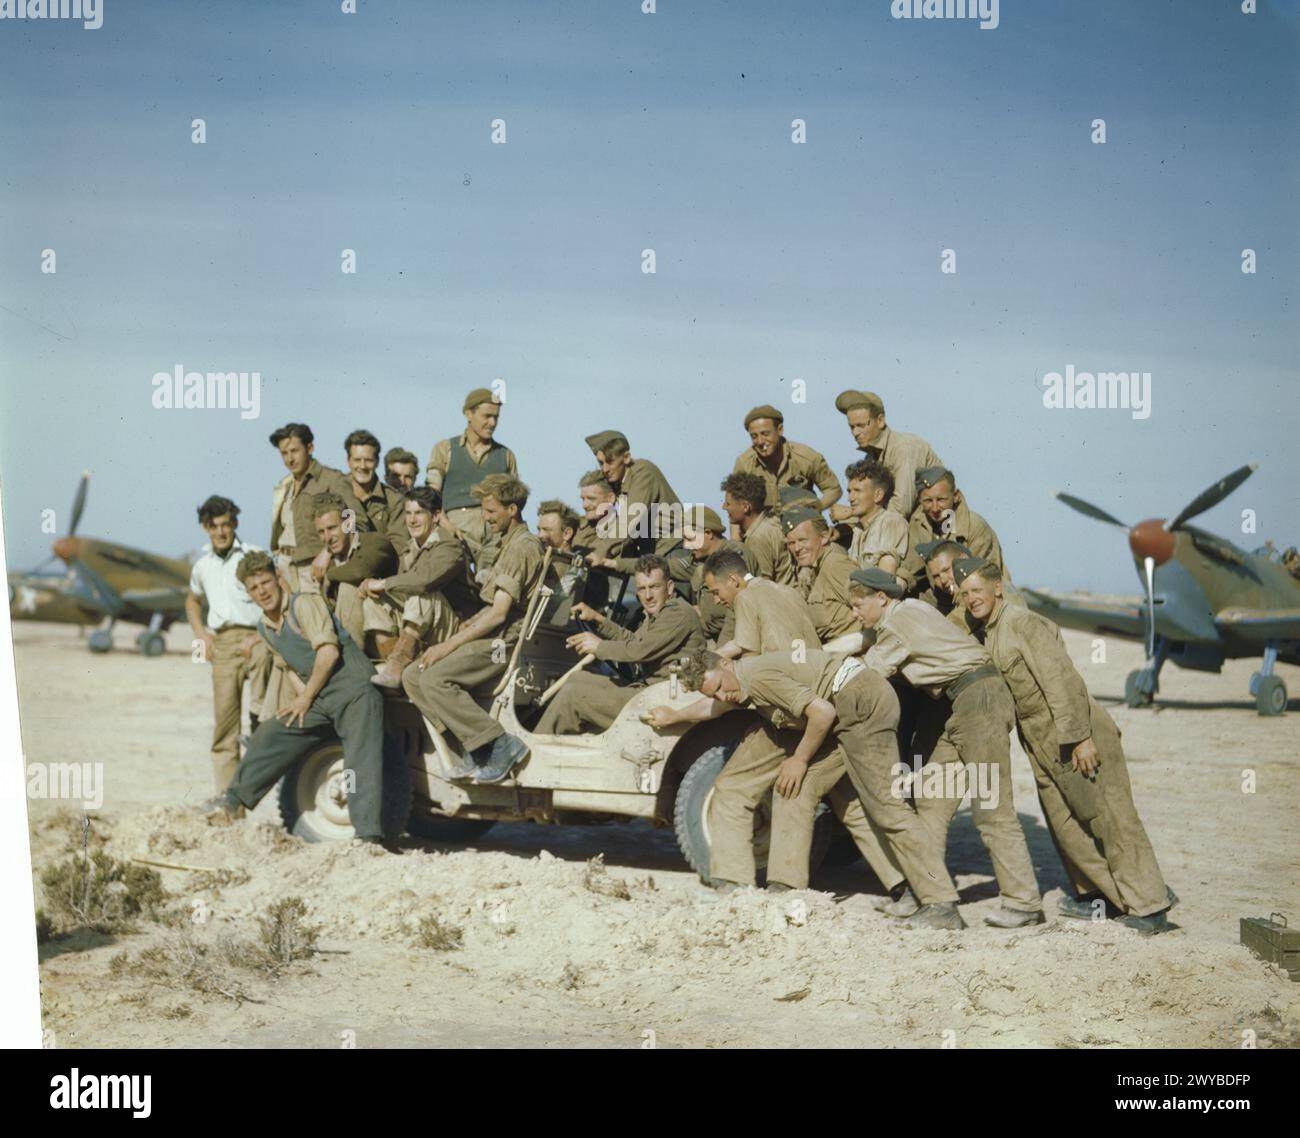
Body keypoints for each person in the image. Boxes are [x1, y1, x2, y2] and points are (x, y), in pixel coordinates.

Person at [957, 558, 1175, 935]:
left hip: (1075, 735)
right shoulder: (989, 631)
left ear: (997, 588)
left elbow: (1062, 682)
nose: (971, 599)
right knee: (1067, 826)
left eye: (977, 590)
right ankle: (1107, 898)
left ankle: (1150, 907)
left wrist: (1080, 739)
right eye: (964, 594)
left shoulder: (1023, 624)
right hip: (1042, 745)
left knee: (1110, 818)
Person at [841, 566, 1044, 930]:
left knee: (991, 806)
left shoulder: (898, 623)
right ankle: (932, 899)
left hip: (978, 698)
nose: (855, 613)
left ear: (881, 599)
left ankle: (1024, 902)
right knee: (931, 803)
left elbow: (868, 673)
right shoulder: (909, 612)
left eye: (858, 605)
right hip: (956, 704)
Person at [647, 649, 908, 900]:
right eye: (714, 693)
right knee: (732, 787)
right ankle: (737, 882)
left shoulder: (759, 677)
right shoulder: (736, 682)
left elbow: (823, 713)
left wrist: (800, 760)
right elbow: (715, 708)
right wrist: (675, 716)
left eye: (720, 687)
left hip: (838, 721)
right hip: (792, 726)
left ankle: (899, 882)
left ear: (726, 663)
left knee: (822, 796)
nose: (723, 696)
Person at [198, 551, 398, 853]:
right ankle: (233, 800)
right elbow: (289, 667)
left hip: (355, 691)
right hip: (320, 696)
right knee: (272, 732)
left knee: (359, 763)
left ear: (278, 580)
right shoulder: (265, 627)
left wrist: (305, 698)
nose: (262, 592)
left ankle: (368, 837)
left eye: (266, 583)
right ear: (248, 593)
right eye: (254, 588)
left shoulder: (303, 604)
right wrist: (300, 703)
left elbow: (328, 653)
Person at [401, 474, 544, 785]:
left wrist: (447, 645)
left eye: (492, 511)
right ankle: (475, 747)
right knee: (412, 675)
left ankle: (500, 744)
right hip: (494, 637)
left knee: (435, 678)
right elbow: (491, 611)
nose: (485, 518)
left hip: (502, 646)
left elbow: (498, 615)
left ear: (513, 510)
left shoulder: (522, 547)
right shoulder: (508, 543)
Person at [536, 556, 704, 735]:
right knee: (577, 679)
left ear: (669, 587)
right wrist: (598, 619)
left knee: (573, 695)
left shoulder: (677, 612)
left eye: (654, 587)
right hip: (652, 691)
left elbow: (638, 651)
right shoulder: (659, 612)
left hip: (664, 698)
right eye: (641, 588)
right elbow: (633, 641)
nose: (648, 596)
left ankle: (533, 755)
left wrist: (599, 646)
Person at [185, 495, 271, 793]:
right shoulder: (202, 566)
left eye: (225, 525)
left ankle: (259, 723)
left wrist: (262, 634)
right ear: (205, 528)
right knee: (224, 729)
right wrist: (201, 635)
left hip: (257, 636)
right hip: (222, 644)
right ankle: (228, 803)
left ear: (234, 523)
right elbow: (192, 600)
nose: (220, 532)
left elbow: (281, 591)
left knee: (262, 720)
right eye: (213, 526)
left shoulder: (252, 555)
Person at [360, 486, 478, 687]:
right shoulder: (409, 549)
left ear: (435, 516)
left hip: (456, 628)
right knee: (374, 601)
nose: (412, 520)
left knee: (420, 595)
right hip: (425, 625)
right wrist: (370, 586)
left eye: (419, 513)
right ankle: (392, 663)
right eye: (408, 513)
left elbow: (423, 581)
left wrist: (382, 583)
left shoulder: (450, 546)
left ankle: (398, 664)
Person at [426, 388, 519, 577]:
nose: (492, 423)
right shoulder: (445, 449)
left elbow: (515, 504)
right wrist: (447, 526)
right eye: (487, 416)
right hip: (456, 529)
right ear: (469, 414)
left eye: (496, 417)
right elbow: (431, 496)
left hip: (494, 535)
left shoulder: (506, 456)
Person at [269, 422, 362, 594]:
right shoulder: (285, 487)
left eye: (295, 451)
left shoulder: (331, 479)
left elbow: (356, 518)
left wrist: (328, 552)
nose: (290, 458)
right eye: (284, 453)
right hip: (285, 569)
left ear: (310, 448)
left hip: (314, 568)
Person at [831, 390, 943, 521]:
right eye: (852, 427)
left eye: (861, 425)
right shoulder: (871, 457)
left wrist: (851, 513)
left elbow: (901, 508)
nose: (855, 432)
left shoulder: (904, 448)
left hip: (938, 524)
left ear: (880, 420)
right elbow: (874, 507)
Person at [309, 493, 400, 653]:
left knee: (348, 588)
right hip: (353, 635)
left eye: (332, 528)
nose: (328, 538)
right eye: (321, 532)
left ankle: (350, 664)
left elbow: (360, 570)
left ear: (349, 523)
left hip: (389, 629)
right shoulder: (327, 563)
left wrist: (330, 576)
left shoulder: (375, 542)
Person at [896, 467, 1008, 594]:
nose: (935, 508)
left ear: (955, 496)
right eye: (928, 501)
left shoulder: (975, 527)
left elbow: (984, 581)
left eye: (941, 500)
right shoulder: (919, 523)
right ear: (919, 500)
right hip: (941, 596)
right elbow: (911, 568)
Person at [585, 430, 683, 562]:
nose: (605, 469)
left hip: (672, 550)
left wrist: (598, 552)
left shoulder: (643, 472)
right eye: (601, 463)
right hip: (649, 553)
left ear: (626, 458)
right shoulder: (617, 480)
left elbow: (629, 521)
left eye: (610, 462)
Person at [702, 548, 818, 659]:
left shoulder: (744, 597)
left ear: (733, 580)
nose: (716, 600)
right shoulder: (788, 591)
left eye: (716, 592)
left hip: (785, 675)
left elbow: (750, 661)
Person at [732, 404, 841, 513]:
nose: (760, 441)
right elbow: (734, 503)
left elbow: (833, 489)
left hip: (802, 524)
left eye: (765, 434)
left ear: (780, 430)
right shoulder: (744, 464)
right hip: (763, 526)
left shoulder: (806, 457)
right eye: (754, 436)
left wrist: (816, 509)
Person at [782, 507, 859, 641]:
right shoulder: (814, 568)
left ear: (823, 538)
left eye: (803, 540)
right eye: (791, 543)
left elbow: (873, 608)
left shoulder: (834, 565)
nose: (797, 548)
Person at [680, 518, 755, 643]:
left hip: (737, 633)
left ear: (708, 533)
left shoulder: (735, 553)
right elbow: (671, 567)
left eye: (690, 538)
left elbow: (736, 610)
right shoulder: (702, 560)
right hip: (713, 632)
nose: (686, 545)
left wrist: (720, 652)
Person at [721, 471, 796, 587]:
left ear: (745, 507)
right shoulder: (772, 524)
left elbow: (762, 585)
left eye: (728, 503)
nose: (724, 507)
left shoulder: (758, 538)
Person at [343, 429, 408, 552]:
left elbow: (398, 545)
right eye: (357, 460)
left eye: (368, 460)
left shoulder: (394, 500)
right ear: (348, 461)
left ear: (377, 462)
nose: (362, 466)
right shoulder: (335, 491)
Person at [844, 459, 909, 576]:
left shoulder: (891, 523)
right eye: (849, 491)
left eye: (857, 491)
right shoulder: (858, 530)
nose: (850, 498)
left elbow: (884, 577)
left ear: (878, 495)